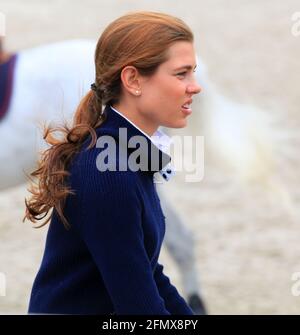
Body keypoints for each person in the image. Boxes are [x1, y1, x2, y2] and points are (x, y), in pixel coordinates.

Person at [24, 11, 202, 315]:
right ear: (133, 80)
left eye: (193, 72)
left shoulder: (126, 152)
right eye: (181, 74)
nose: (195, 86)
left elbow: (149, 273)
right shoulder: (109, 174)